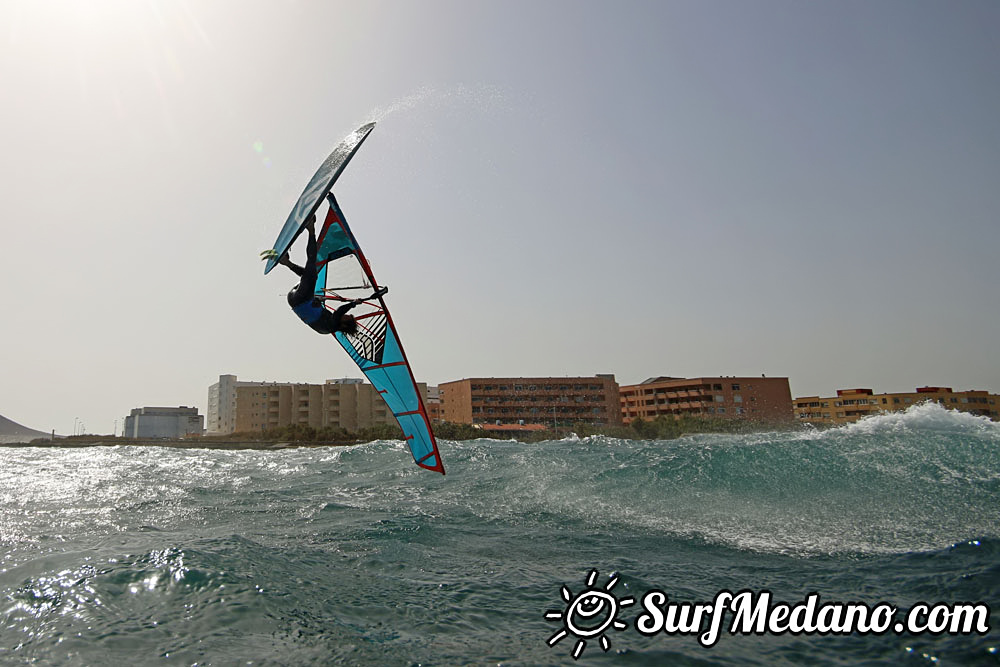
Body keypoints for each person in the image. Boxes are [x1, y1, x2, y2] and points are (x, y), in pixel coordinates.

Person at [262, 214, 385, 336]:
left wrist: (353, 304)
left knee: (312, 265)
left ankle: (310, 228)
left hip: (301, 298)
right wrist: (317, 301)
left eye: (349, 317)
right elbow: (316, 313)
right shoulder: (327, 328)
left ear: (344, 325)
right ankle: (286, 262)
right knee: (309, 275)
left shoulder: (334, 324)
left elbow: (339, 311)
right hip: (294, 299)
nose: (346, 315)